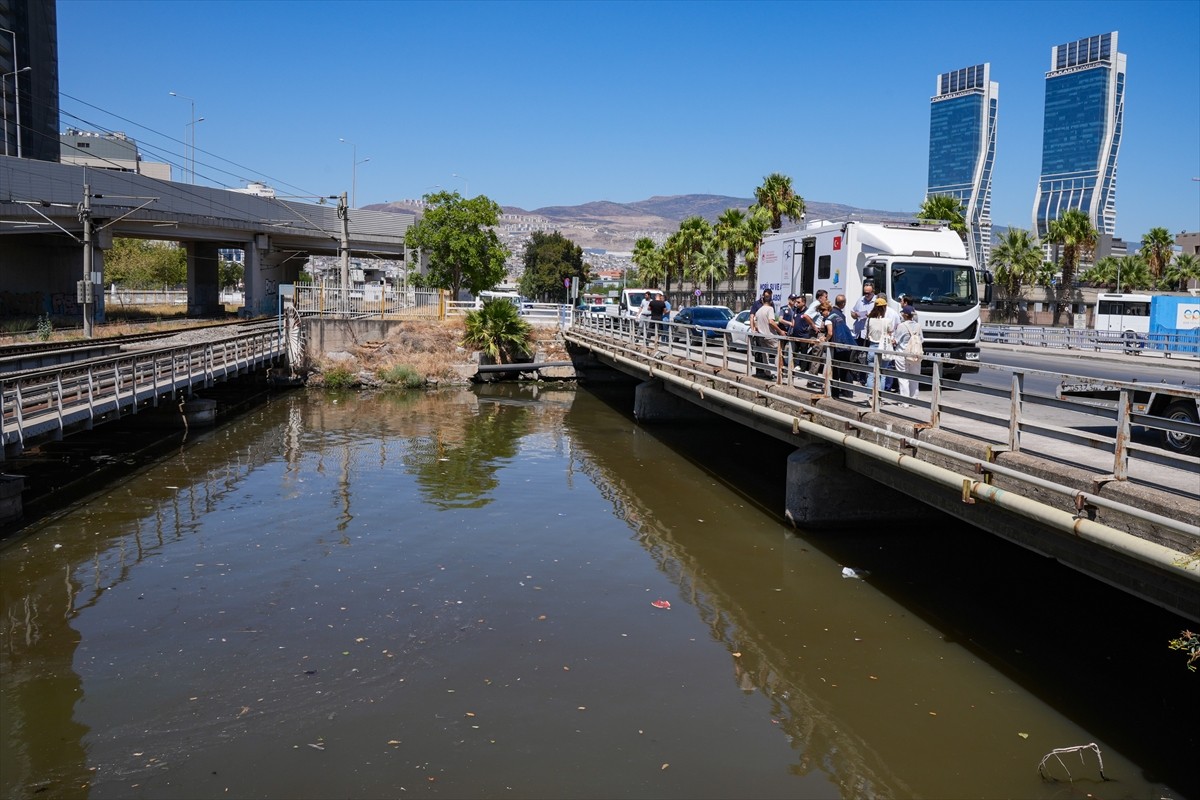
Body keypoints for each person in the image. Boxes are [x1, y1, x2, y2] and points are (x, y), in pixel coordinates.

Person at [864, 296, 897, 393]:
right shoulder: (887, 321)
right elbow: (890, 332)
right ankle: (879, 397)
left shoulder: (869, 319)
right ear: (884, 308)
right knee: (882, 374)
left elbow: (867, 331)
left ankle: (870, 396)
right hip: (883, 348)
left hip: (872, 347)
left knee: (871, 374)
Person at [892, 304, 923, 405]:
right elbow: (922, 340)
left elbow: (896, 340)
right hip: (915, 354)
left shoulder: (901, 326)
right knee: (915, 378)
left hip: (902, 354)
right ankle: (914, 400)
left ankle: (905, 402)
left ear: (905, 315)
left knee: (903, 378)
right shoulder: (918, 326)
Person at [827, 294, 858, 396]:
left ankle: (835, 392)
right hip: (845, 345)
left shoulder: (831, 316)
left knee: (835, 368)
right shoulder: (841, 316)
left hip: (837, 346)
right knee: (846, 368)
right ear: (843, 303)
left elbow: (830, 333)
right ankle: (848, 392)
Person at [752, 295, 786, 380]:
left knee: (765, 354)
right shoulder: (770, 309)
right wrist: (780, 331)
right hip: (770, 335)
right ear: (771, 302)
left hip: (761, 335)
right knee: (779, 352)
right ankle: (778, 372)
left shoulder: (759, 311)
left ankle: (768, 372)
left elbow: (755, 323)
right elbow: (771, 322)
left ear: (763, 301)